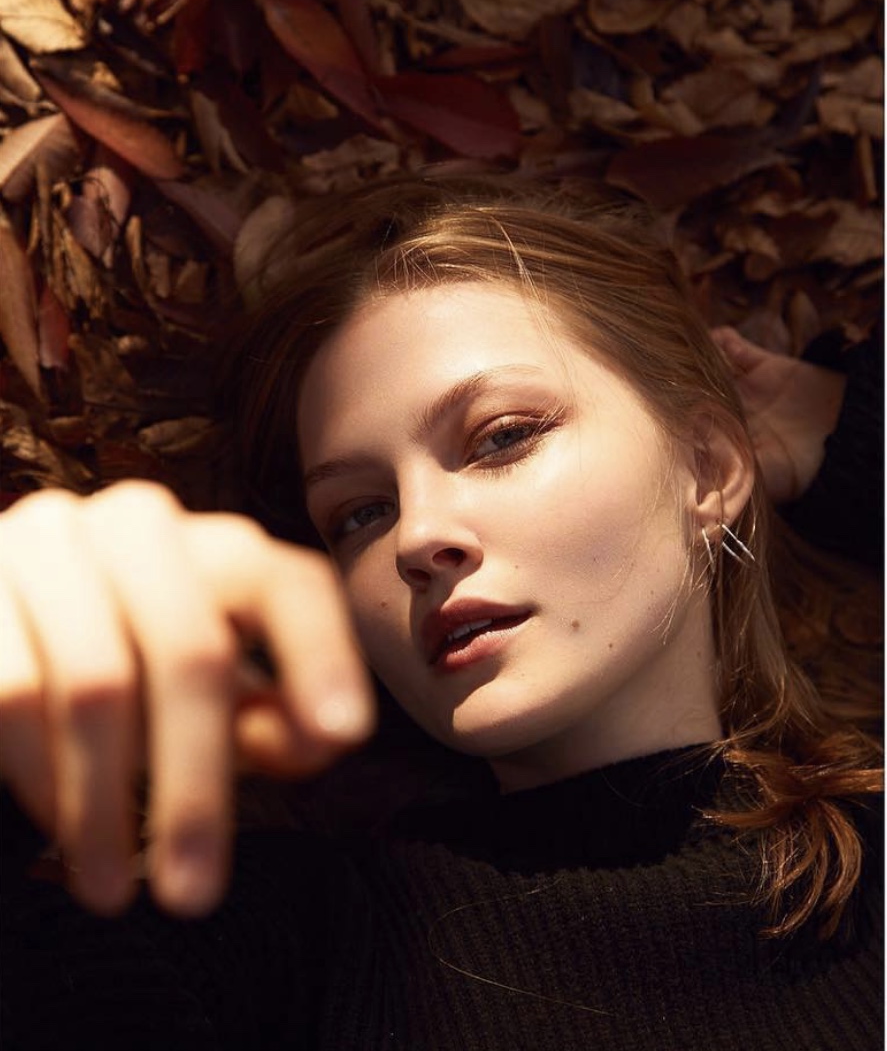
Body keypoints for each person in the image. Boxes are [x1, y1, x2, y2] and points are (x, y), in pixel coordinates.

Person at [0, 176, 881, 1050]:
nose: (416, 538)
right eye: (360, 513)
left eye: (502, 437)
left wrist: (848, 427)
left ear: (708, 468)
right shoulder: (276, 957)